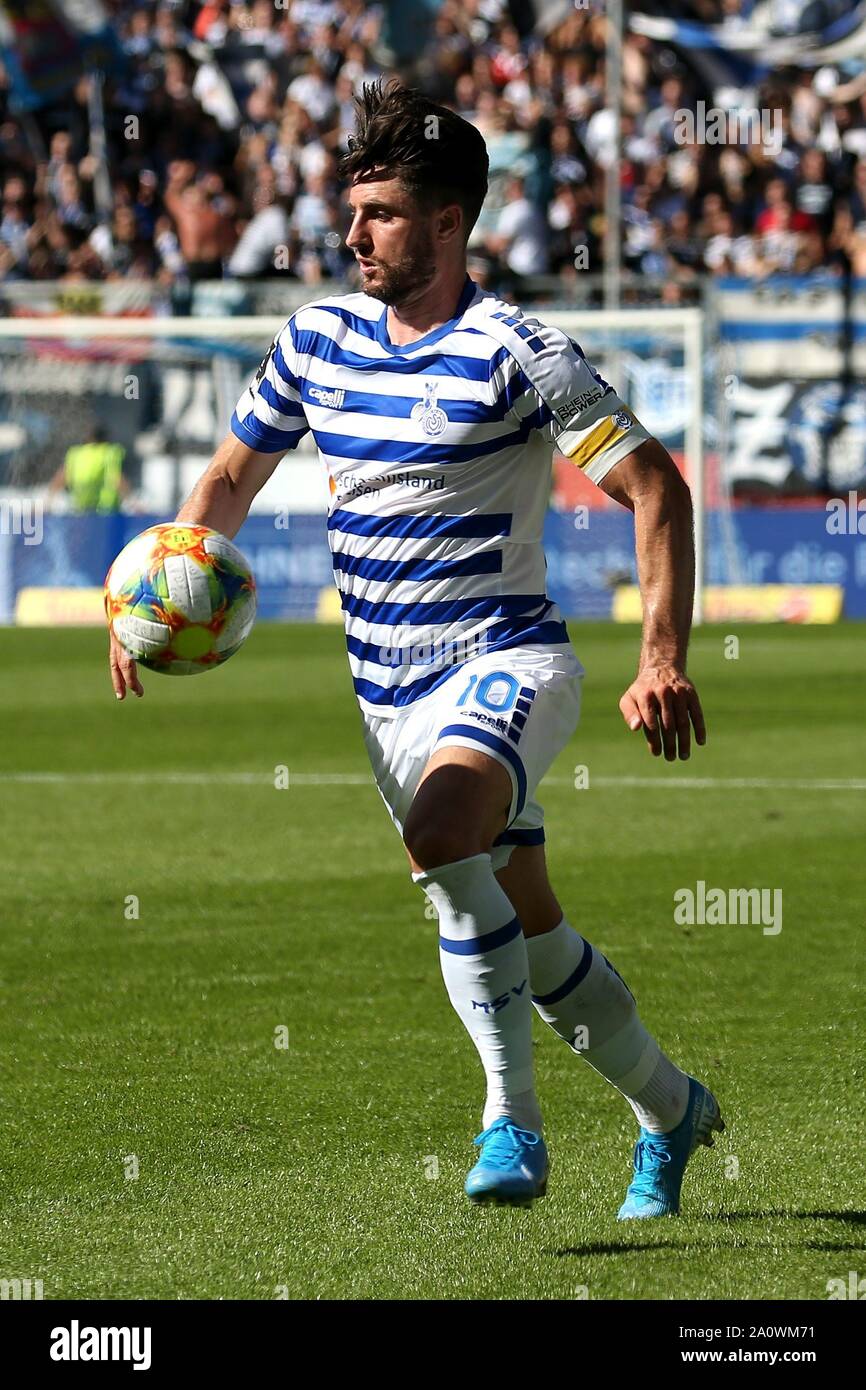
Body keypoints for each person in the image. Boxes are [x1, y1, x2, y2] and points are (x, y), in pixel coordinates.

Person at [107, 80, 722, 1217]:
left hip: (506, 662)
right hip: (383, 696)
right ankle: (670, 1108)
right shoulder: (315, 338)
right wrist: (157, 588)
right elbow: (232, 476)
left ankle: (509, 1121)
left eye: (380, 214)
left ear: (450, 222)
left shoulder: (518, 351)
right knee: (527, 935)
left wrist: (659, 653)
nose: (352, 237)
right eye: (351, 212)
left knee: (443, 840)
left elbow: (653, 485)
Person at [51, 425, 129, 513]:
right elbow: (116, 478)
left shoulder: (75, 454)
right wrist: (130, 500)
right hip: (107, 510)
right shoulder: (109, 452)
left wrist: (49, 499)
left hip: (81, 509)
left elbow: (61, 477)